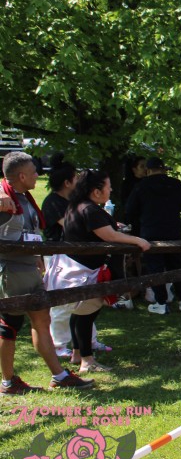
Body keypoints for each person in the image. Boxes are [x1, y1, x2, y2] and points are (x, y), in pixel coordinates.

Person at [0, 152, 93, 393]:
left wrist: (38, 258)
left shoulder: (23, 198)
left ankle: (59, 376)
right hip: (11, 271)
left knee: (42, 319)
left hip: (30, 269)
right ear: (21, 176)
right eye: (33, 172)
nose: (38, 176)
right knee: (9, 325)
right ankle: (8, 382)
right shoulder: (4, 197)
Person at [61, 169, 151, 374]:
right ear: (96, 191)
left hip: (78, 267)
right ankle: (87, 361)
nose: (111, 190)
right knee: (86, 314)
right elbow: (109, 236)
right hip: (88, 271)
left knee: (79, 313)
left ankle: (77, 353)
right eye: (108, 187)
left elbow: (99, 230)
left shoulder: (77, 206)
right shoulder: (89, 209)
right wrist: (138, 240)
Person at [126, 157, 181, 315]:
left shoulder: (141, 186)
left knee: (155, 268)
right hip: (172, 231)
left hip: (151, 232)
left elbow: (130, 209)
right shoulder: (175, 184)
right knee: (176, 266)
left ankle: (161, 302)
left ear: (148, 170)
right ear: (163, 169)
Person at [42, 154, 78, 357]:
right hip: (58, 255)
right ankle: (58, 344)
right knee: (62, 301)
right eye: (76, 178)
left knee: (84, 299)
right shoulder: (53, 202)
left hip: (74, 255)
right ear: (67, 182)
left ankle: (88, 340)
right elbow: (71, 226)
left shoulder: (73, 201)